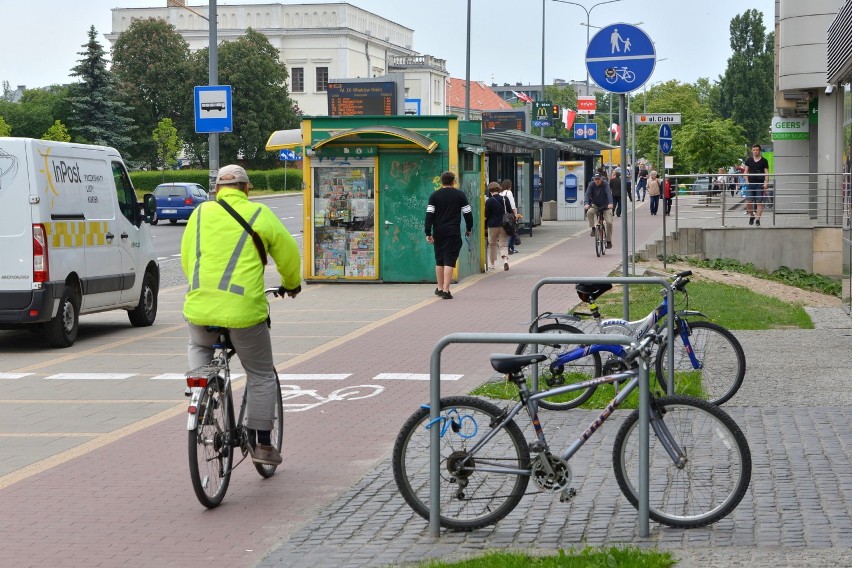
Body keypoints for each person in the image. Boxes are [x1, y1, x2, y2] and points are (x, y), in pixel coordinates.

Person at [181, 164, 302, 466]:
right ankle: (262, 444)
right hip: (244, 311)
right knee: (261, 374)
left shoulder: (199, 214)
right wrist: (291, 284)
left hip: (199, 307)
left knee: (199, 345)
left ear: (217, 191)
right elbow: (288, 253)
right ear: (247, 189)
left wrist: (203, 289)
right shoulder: (260, 214)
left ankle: (206, 395)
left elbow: (188, 257)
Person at [424, 170, 473, 299]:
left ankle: (439, 288)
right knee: (449, 261)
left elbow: (429, 215)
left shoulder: (434, 196)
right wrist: (469, 228)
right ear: (453, 181)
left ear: (441, 181)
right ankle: (446, 290)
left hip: (438, 232)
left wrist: (428, 232)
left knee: (439, 260)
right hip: (453, 232)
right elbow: (468, 213)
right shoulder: (460, 195)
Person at [484, 182, 511, 271]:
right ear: (499, 189)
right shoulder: (505, 198)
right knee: (503, 244)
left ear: (490, 191)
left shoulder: (489, 201)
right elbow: (510, 211)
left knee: (492, 244)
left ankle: (492, 264)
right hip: (504, 225)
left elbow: (486, 215)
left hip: (492, 226)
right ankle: (505, 261)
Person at [584, 172, 614, 249]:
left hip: (606, 206)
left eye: (598, 179)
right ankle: (593, 229)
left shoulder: (605, 184)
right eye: (595, 179)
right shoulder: (591, 184)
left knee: (609, 222)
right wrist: (586, 203)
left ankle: (608, 241)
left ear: (601, 179)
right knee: (589, 212)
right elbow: (587, 194)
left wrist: (610, 203)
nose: (596, 181)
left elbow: (608, 193)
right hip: (596, 205)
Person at [744, 144, 770, 226]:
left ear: (759, 151)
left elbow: (766, 173)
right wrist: (747, 181)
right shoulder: (749, 160)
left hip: (760, 184)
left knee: (759, 202)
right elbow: (745, 172)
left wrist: (766, 183)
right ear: (752, 151)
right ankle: (752, 216)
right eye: (754, 150)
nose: (755, 151)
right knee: (748, 201)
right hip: (750, 183)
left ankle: (758, 219)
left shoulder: (764, 161)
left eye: (757, 150)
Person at [500, 179, 521, 253]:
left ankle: (509, 247)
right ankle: (509, 247)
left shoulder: (501, 193)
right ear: (509, 186)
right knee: (512, 231)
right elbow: (512, 205)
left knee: (505, 232)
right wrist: (516, 214)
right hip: (509, 215)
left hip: (502, 215)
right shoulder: (509, 193)